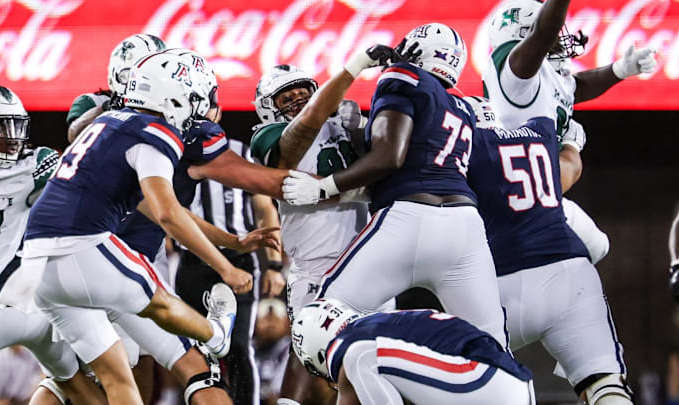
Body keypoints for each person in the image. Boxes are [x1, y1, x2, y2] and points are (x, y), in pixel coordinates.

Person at [23, 51, 238, 404]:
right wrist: (226, 266)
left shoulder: (105, 124)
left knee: (109, 376)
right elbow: (167, 214)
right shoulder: (153, 131)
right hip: (92, 251)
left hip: (40, 263)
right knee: (192, 355)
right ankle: (217, 333)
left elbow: (157, 210)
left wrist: (230, 240)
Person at [281, 24, 507, 347]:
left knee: (323, 317)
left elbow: (390, 157)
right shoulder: (463, 107)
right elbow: (422, 153)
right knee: (491, 344)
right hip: (465, 226)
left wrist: (324, 187)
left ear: (417, 51)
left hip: (410, 217)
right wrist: (360, 128)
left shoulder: (404, 77)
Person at [250, 46, 398, 405]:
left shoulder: (342, 125)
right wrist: (354, 68)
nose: (301, 101)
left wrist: (364, 130)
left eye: (306, 93)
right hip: (318, 265)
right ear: (269, 107)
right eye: (288, 97)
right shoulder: (266, 137)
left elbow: (388, 175)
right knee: (308, 356)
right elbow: (297, 149)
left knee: (376, 362)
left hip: (368, 258)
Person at [463, 95, 633, 404]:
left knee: (454, 376)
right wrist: (571, 145)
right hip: (569, 275)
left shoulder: (464, 153)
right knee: (605, 385)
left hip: (502, 290)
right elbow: (599, 244)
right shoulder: (540, 142)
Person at [0, 85, 107, 405]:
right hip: (20, 305)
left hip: (5, 299)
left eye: (14, 126)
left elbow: (80, 196)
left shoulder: (33, 166)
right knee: (73, 381)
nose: (9, 137)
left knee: (88, 378)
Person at [482, 0, 657, 264]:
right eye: (554, 36)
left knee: (596, 246)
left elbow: (575, 87)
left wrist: (619, 70)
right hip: (515, 202)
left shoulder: (540, 76)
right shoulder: (514, 73)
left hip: (532, 194)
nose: (561, 43)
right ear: (525, 34)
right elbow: (544, 33)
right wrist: (572, 147)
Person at [176, 138, 285, 405]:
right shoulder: (172, 150)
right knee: (190, 353)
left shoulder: (241, 153)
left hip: (237, 258)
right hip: (191, 259)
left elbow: (264, 208)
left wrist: (274, 264)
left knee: (237, 347)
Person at [292, 299, 534, 405]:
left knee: (360, 356)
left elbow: (359, 358)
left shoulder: (348, 342)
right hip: (514, 388)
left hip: (481, 380)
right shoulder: (385, 324)